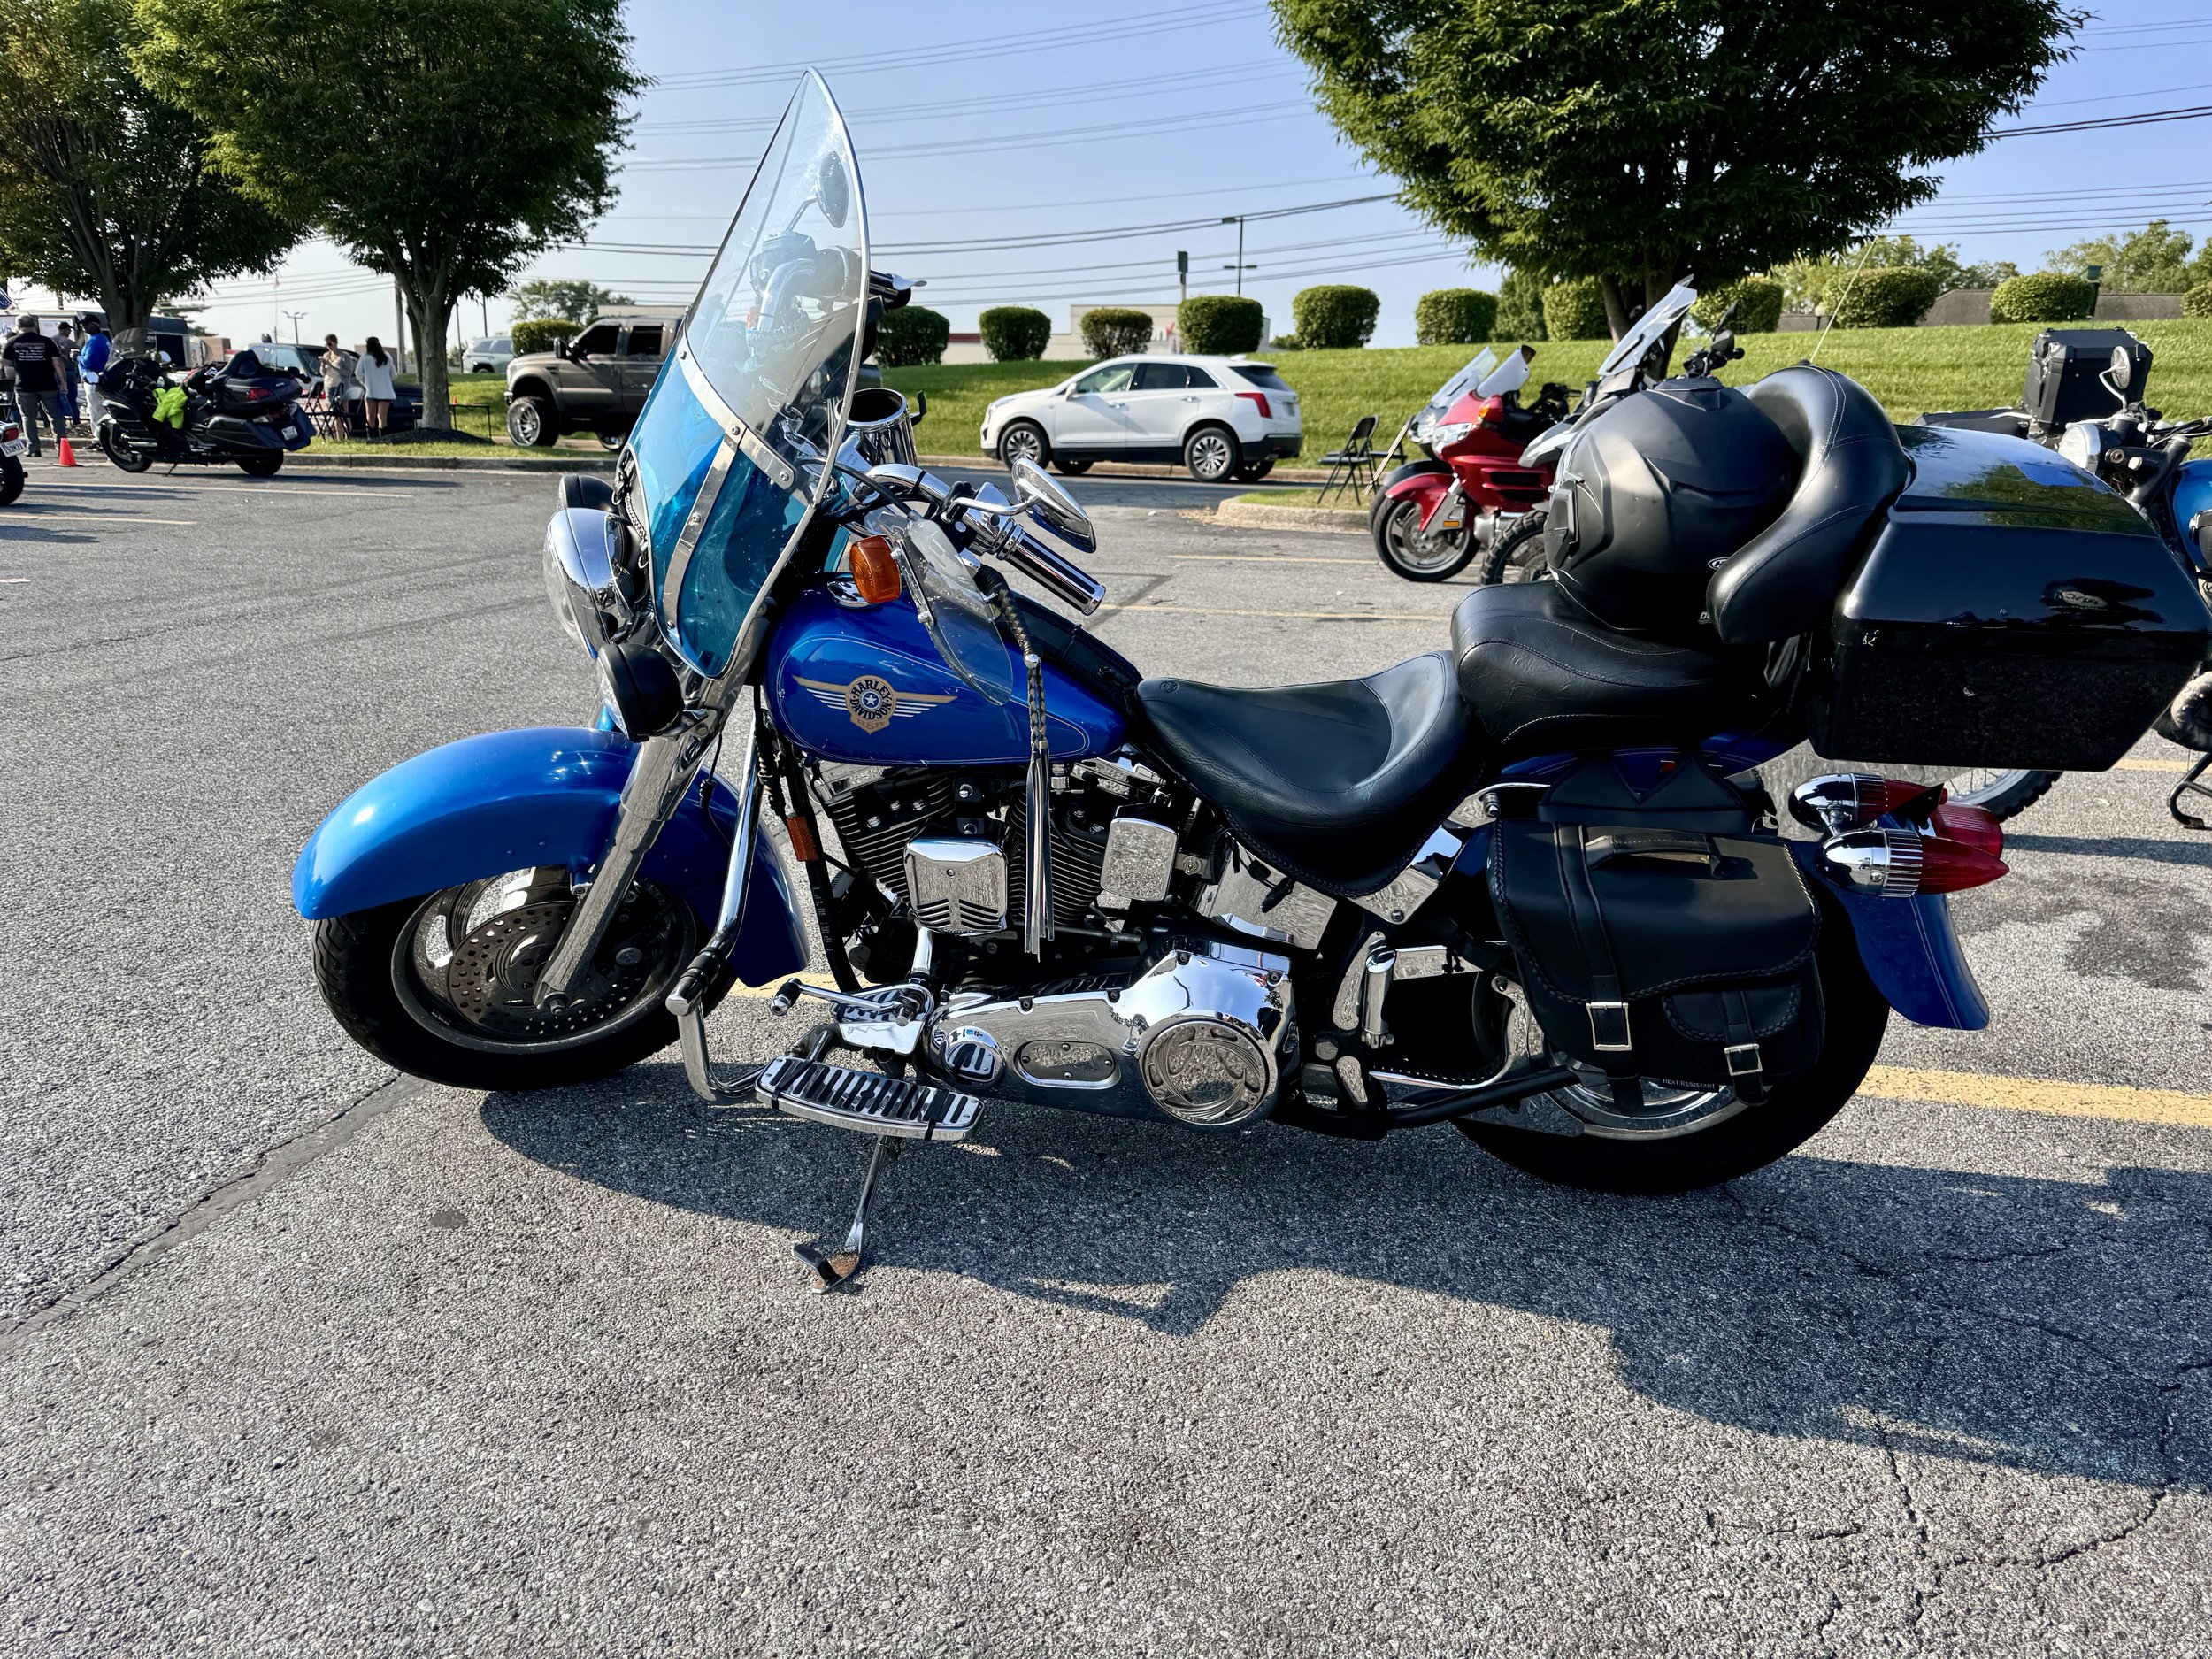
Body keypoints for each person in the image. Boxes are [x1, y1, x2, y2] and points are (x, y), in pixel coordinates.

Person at [1, 317, 68, 457]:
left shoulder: (13, 342)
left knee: (28, 418)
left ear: (18, 326)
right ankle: (62, 447)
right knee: (55, 416)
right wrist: (63, 382)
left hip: (24, 385)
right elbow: (57, 363)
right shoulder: (47, 341)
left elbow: (5, 362)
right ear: (35, 325)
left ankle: (33, 448)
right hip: (48, 384)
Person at [356, 335, 396, 439]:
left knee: (370, 417)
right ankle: (383, 438)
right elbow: (394, 375)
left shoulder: (365, 357)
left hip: (371, 391)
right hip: (385, 391)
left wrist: (365, 382)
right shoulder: (387, 356)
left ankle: (371, 438)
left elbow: (358, 373)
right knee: (382, 417)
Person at [77, 319, 111, 431]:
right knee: (101, 408)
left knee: (95, 409)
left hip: (93, 379)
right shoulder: (103, 339)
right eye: (82, 325)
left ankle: (99, 435)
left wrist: (77, 357)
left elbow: (89, 362)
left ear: (95, 324)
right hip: (102, 378)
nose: (83, 327)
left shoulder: (95, 342)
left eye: (86, 324)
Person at [319, 333, 351, 436]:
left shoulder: (344, 356)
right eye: (327, 345)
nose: (329, 347)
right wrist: (322, 365)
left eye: (330, 344)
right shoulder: (326, 355)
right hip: (329, 385)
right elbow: (322, 373)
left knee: (344, 411)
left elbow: (348, 372)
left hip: (340, 385)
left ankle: (349, 433)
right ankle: (339, 436)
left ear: (336, 342)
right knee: (335, 412)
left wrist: (332, 366)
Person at [53, 320, 79, 433]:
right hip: (69, 371)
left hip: (55, 372)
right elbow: (78, 358)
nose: (69, 332)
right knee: (72, 398)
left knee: (58, 398)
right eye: (68, 330)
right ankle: (76, 421)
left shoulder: (51, 341)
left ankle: (61, 421)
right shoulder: (71, 343)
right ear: (64, 330)